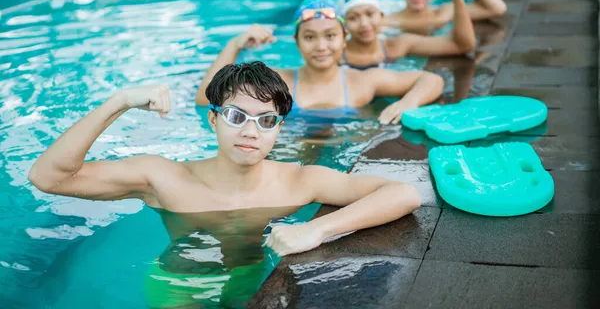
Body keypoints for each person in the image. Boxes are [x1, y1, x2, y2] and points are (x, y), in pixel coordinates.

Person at [28, 62, 421, 259]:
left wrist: (318, 230)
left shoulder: (299, 181)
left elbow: (403, 194)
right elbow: (48, 177)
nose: (251, 132)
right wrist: (119, 101)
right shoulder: (161, 178)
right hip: (184, 282)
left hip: (256, 275)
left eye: (266, 121)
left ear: (278, 129)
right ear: (213, 119)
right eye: (236, 117)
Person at [195, 0, 444, 125]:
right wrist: (234, 45)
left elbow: (430, 79)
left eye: (330, 36)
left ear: (344, 38)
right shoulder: (278, 80)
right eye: (310, 37)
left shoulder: (364, 80)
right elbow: (206, 97)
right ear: (297, 41)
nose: (321, 46)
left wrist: (406, 103)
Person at [339, 0, 476, 70]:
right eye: (353, 18)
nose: (364, 23)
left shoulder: (397, 45)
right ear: (344, 24)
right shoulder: (337, 56)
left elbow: (462, 45)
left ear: (381, 16)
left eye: (370, 14)